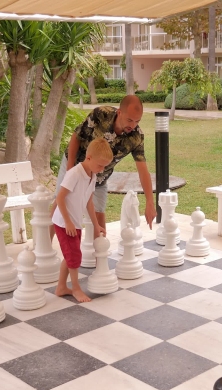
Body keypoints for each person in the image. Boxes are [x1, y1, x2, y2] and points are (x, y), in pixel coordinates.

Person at [52, 95, 155, 237]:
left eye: (137, 121)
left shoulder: (136, 137)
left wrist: (150, 202)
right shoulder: (101, 114)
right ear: (119, 112)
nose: (133, 125)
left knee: (99, 217)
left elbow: (143, 172)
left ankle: (99, 257)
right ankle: (44, 250)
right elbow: (76, 137)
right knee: (58, 205)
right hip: (75, 165)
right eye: (129, 120)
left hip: (99, 177)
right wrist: (70, 170)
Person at [52, 138, 113, 303]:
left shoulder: (92, 175)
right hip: (64, 222)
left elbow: (89, 202)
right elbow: (60, 198)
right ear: (89, 158)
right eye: (100, 165)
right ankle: (76, 289)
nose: (102, 169)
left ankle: (61, 287)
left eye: (105, 166)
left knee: (70, 254)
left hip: (74, 222)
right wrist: (68, 222)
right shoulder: (75, 174)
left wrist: (96, 225)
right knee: (74, 256)